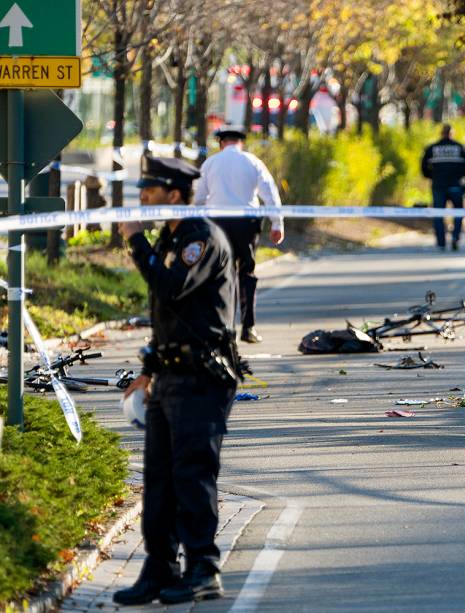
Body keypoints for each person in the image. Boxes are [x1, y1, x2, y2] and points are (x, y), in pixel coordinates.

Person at [114, 157, 239, 606]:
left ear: (172, 194)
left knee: (192, 474)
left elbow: (170, 288)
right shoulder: (171, 238)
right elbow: (167, 316)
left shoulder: (199, 238)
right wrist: (148, 369)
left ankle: (203, 568)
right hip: (169, 376)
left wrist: (136, 243)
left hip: (202, 376)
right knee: (160, 480)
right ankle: (159, 567)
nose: (141, 198)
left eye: (148, 190)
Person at [195, 126, 284, 344]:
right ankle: (249, 327)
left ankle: (223, 327)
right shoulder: (252, 162)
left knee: (220, 274)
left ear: (221, 143)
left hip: (217, 224)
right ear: (240, 142)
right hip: (246, 223)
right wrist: (277, 223)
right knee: (247, 272)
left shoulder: (211, 163)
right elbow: (269, 193)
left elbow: (197, 197)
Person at [421, 124, 465, 251]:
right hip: (456, 185)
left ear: (441, 133)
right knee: (458, 212)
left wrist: (431, 177)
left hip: (439, 185)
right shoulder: (460, 147)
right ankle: (455, 237)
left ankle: (441, 241)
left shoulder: (432, 148)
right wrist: (462, 176)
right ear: (452, 134)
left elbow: (423, 167)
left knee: (438, 214)